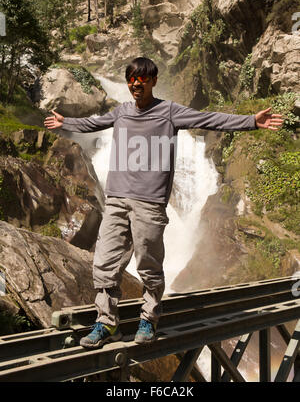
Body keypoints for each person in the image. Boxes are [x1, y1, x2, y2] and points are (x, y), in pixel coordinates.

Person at [44, 57, 283, 348]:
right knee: (104, 264)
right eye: (131, 78)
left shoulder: (169, 112)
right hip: (116, 200)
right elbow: (93, 123)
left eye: (142, 79)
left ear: (153, 81)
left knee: (149, 265)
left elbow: (208, 118)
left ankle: (149, 318)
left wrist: (251, 122)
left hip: (149, 202)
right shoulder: (120, 112)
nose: (135, 84)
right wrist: (65, 122)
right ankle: (106, 323)